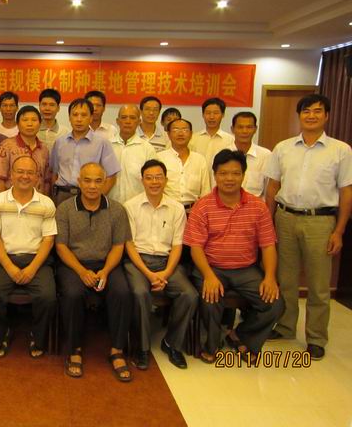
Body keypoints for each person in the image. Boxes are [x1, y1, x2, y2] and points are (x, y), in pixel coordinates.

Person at [265, 94, 352, 360]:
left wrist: (339, 231)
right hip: (285, 218)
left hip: (320, 221)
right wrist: (269, 223)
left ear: (326, 115)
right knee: (286, 279)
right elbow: (273, 187)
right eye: (306, 111)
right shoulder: (283, 148)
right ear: (299, 115)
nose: (311, 115)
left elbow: (346, 192)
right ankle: (285, 326)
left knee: (318, 284)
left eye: (317, 111)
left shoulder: (341, 150)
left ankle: (316, 337)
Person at [184, 149, 284, 363]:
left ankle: (241, 335)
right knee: (210, 298)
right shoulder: (203, 206)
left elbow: (268, 245)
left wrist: (269, 277)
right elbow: (196, 248)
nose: (229, 178)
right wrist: (208, 276)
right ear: (215, 175)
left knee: (275, 304)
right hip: (211, 267)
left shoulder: (258, 207)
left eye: (235, 173)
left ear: (243, 175)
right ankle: (211, 345)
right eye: (223, 173)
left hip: (246, 269)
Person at [56, 163, 132, 381]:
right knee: (72, 294)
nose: (92, 186)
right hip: (74, 264)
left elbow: (118, 246)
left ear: (105, 183)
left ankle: (117, 350)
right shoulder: (65, 209)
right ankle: (74, 349)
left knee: (122, 292)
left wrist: (106, 271)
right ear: (79, 182)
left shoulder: (117, 210)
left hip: (107, 263)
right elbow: (61, 246)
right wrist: (82, 271)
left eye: (98, 181)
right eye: (87, 180)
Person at [123, 159, 197, 370]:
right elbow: (129, 245)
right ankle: (142, 347)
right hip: (138, 262)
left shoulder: (176, 208)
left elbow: (177, 246)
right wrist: (148, 274)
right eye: (149, 178)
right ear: (142, 180)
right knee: (140, 293)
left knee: (189, 295)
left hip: (167, 263)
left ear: (166, 180)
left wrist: (165, 273)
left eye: (158, 177)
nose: (154, 182)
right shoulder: (130, 206)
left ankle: (172, 343)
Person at [0, 156, 57, 358]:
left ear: (37, 177)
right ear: (11, 175)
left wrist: (32, 268)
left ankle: (37, 336)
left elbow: (48, 240)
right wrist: (9, 267)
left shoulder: (46, 203)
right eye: (20, 172)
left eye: (30, 172)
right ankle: (2, 333)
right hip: (3, 260)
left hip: (37, 260)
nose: (25, 176)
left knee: (48, 297)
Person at [51, 98, 121, 205]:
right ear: (69, 118)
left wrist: (98, 198)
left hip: (89, 195)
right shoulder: (60, 142)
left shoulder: (102, 143)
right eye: (75, 115)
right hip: (62, 195)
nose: (79, 119)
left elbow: (111, 177)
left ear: (91, 118)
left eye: (84, 115)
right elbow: (54, 173)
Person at [0, 105, 52, 196]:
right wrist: (2, 201)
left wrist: (45, 200)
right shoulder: (6, 146)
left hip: (38, 200)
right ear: (17, 124)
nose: (30, 124)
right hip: (11, 200)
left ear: (40, 124)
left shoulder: (44, 148)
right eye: (25, 120)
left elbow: (47, 180)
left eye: (34, 120)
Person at [157, 119, 211, 211]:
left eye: (185, 130)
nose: (180, 133)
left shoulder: (200, 159)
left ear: (191, 134)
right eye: (175, 130)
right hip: (167, 210)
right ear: (168, 134)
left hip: (193, 211)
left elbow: (205, 191)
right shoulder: (159, 158)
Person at [108, 104, 156, 204]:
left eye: (132, 118)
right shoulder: (107, 146)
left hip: (138, 206)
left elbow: (152, 180)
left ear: (139, 122)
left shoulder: (147, 148)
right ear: (117, 121)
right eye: (124, 117)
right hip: (111, 204)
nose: (128, 121)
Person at [228, 112, 271, 198]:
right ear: (232, 129)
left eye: (249, 127)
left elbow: (268, 190)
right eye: (240, 127)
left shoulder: (266, 155)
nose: (244, 131)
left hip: (255, 205)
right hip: (226, 205)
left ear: (255, 129)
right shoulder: (222, 154)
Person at [189, 97, 235, 170]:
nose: (211, 117)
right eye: (208, 113)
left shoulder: (231, 140)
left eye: (216, 113)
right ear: (203, 115)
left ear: (223, 115)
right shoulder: (193, 138)